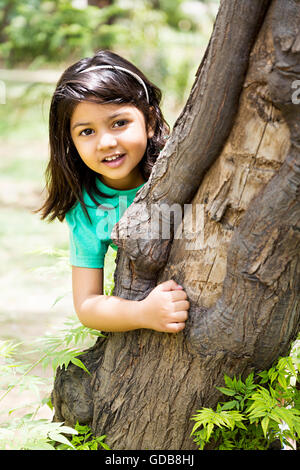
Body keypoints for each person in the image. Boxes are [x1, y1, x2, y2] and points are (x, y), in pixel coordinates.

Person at [38, 49, 189, 333]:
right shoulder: (88, 208)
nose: (106, 142)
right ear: (69, 142)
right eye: (87, 131)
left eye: (119, 123)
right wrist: (143, 313)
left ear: (150, 121)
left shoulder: (182, 170)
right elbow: (87, 305)